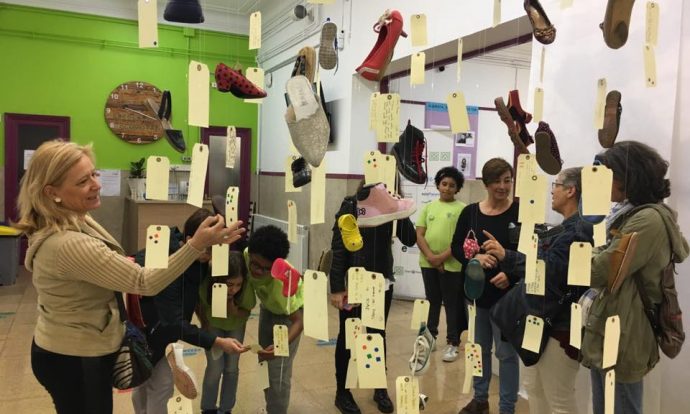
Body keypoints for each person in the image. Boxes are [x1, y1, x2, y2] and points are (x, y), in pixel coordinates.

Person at [14, 140, 245, 414]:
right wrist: (195, 246)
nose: (96, 184)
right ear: (52, 192)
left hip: (71, 347)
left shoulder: (75, 219)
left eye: (94, 174)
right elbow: (143, 282)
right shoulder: (68, 243)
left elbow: (108, 263)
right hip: (74, 357)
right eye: (83, 181)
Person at [580, 141, 688, 414]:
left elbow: (597, 271)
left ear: (627, 178)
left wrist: (588, 252)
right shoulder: (627, 215)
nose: (604, 182)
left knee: (622, 407)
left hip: (625, 333)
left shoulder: (647, 220)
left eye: (609, 174)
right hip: (613, 325)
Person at [483, 167, 593, 414]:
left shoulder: (579, 231)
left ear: (570, 190)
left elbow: (551, 272)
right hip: (541, 321)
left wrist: (506, 256)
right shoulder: (566, 228)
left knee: (560, 400)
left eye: (556, 185)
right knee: (535, 388)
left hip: (559, 326)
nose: (552, 191)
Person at [131, 209, 248, 413]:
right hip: (148, 333)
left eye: (216, 250)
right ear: (190, 240)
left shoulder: (195, 258)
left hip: (158, 334)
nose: (210, 257)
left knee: (146, 383)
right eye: (208, 251)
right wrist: (216, 341)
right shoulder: (167, 264)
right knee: (160, 386)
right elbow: (173, 322)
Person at [329, 181, 417, 414]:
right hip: (355, 283)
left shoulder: (393, 206)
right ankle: (342, 392)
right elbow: (338, 247)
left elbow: (410, 239)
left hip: (381, 282)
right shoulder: (351, 205)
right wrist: (336, 287)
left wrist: (398, 208)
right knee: (348, 336)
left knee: (377, 335)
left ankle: (379, 387)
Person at [450, 158, 520, 414]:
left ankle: (507, 408)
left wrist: (510, 275)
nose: (502, 186)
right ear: (486, 184)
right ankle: (480, 400)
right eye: (496, 181)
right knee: (478, 350)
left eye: (507, 180)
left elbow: (532, 254)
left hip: (508, 298)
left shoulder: (520, 213)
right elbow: (456, 247)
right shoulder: (470, 213)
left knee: (506, 354)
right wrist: (474, 257)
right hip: (476, 295)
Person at [245, 225, 303, 414]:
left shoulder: (280, 286)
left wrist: (280, 346)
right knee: (264, 360)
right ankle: (271, 408)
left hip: (289, 316)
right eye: (255, 264)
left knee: (278, 373)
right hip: (268, 308)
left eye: (266, 269)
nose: (258, 271)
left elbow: (299, 321)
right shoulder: (247, 255)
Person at [415, 166, 468, 362]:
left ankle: (453, 342)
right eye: (444, 184)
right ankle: (430, 338)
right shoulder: (428, 207)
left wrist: (441, 258)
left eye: (452, 185)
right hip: (427, 263)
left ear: (458, 188)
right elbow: (419, 234)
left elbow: (462, 240)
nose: (447, 188)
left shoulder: (462, 209)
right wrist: (431, 257)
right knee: (432, 301)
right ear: (438, 185)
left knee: (452, 303)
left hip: (452, 265)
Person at [198, 251, 255, 414]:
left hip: (236, 325)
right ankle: (208, 408)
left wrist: (233, 306)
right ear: (218, 279)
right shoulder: (207, 283)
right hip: (213, 325)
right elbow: (199, 305)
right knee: (215, 367)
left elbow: (246, 311)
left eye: (238, 284)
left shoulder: (246, 288)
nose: (234, 289)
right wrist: (205, 324)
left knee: (231, 368)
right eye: (229, 284)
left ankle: (226, 408)